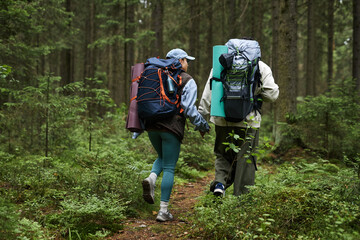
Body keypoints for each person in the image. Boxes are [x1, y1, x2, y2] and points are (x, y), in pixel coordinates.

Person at [199, 39, 279, 197]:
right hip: (249, 121)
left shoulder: (220, 62)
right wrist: (255, 93)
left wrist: (202, 117)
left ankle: (220, 183)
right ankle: (242, 199)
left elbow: (209, 92)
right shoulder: (260, 66)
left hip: (222, 118)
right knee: (245, 159)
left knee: (222, 154)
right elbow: (272, 94)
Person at [142, 48, 210, 222]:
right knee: (170, 166)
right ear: (180, 61)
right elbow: (189, 109)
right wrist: (203, 125)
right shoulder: (187, 80)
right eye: (187, 60)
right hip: (171, 127)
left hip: (151, 126)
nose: (188, 64)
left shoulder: (155, 75)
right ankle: (163, 211)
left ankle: (152, 177)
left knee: (162, 157)